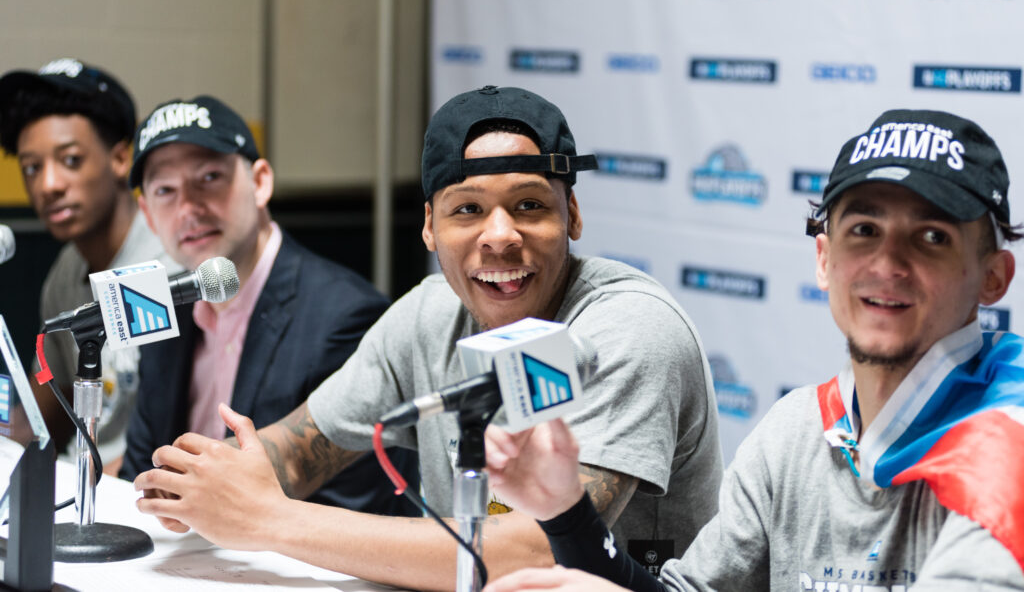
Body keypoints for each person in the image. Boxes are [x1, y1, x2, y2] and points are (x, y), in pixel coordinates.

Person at [132, 85, 723, 590]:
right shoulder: (427, 314)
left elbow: (538, 550)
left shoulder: (629, 328)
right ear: (429, 229)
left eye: (528, 205)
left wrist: (268, 519)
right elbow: (296, 449)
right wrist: (204, 484)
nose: (500, 236)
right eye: (466, 210)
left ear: (572, 214)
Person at [482, 108, 1024, 591]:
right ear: (824, 260)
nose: (887, 264)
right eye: (863, 229)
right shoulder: (796, 431)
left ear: (993, 278)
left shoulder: (1009, 437)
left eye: (932, 237)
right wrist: (567, 513)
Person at [119, 95, 417, 516]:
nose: (188, 207)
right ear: (148, 215)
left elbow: (356, 507)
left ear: (260, 182)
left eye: (208, 177)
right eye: (165, 190)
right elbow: (140, 471)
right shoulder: (165, 307)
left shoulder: (344, 316)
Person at [0, 57, 179, 475]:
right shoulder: (65, 273)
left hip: (140, 495)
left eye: (71, 159)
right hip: (82, 487)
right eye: (32, 167)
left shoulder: (167, 264)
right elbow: (43, 415)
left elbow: (177, 433)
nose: (49, 184)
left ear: (120, 159)